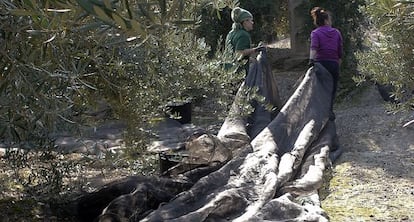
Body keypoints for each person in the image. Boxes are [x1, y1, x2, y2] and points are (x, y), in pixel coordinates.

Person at [309, 6, 343, 120]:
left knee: (321, 88)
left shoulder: (315, 33)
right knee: (332, 88)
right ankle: (330, 111)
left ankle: (320, 112)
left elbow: (314, 48)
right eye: (330, 20)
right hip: (333, 63)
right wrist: (338, 64)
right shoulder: (336, 32)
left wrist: (311, 61)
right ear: (326, 20)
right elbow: (340, 51)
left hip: (321, 64)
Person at [225, 7, 264, 76]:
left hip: (227, 70)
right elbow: (239, 53)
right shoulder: (244, 35)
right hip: (238, 72)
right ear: (245, 21)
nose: (252, 22)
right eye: (250, 20)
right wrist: (256, 49)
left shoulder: (231, 33)